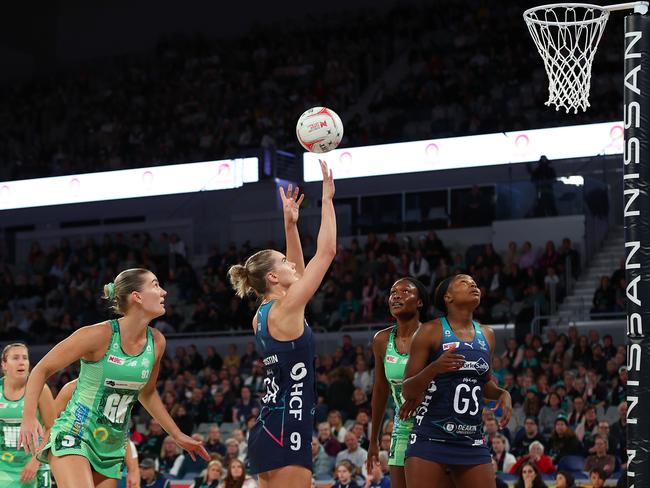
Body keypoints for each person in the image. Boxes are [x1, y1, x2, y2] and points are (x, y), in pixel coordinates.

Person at [19, 268, 209, 488]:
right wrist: (29, 417)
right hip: (75, 434)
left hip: (111, 445)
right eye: (156, 285)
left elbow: (147, 393)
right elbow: (41, 369)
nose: (164, 292)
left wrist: (177, 435)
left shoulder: (157, 342)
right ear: (137, 296)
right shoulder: (98, 335)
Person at [227, 161, 336, 488]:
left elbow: (298, 275)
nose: (292, 264)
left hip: (273, 426)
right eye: (284, 262)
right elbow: (327, 251)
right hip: (286, 428)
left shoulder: (264, 313)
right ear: (273, 276)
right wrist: (327, 199)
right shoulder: (286, 309)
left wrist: (290, 227)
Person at [402, 274, 513, 488]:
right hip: (430, 438)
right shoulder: (429, 331)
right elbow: (408, 389)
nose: (473, 284)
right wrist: (435, 368)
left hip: (471, 440)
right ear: (448, 297)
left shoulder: (487, 334)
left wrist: (501, 394)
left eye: (474, 282)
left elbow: (483, 383)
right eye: (464, 282)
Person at [367, 277, 430, 488]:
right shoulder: (381, 340)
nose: (396, 295)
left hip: (433, 425)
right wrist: (374, 440)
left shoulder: (433, 335)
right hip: (402, 426)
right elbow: (380, 390)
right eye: (393, 292)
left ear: (419, 302)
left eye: (405, 292)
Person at [51, 379, 140, 488]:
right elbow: (49, 422)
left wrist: (133, 470)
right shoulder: (72, 388)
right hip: (76, 448)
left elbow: (124, 433)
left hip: (106, 456)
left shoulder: (117, 391)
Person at [0, 343, 55, 488]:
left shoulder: (41, 389)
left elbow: (52, 427)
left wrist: (36, 461)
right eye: (15, 358)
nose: (21, 362)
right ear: (4, 364)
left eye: (25, 358)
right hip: (3, 468)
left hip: (35, 466)